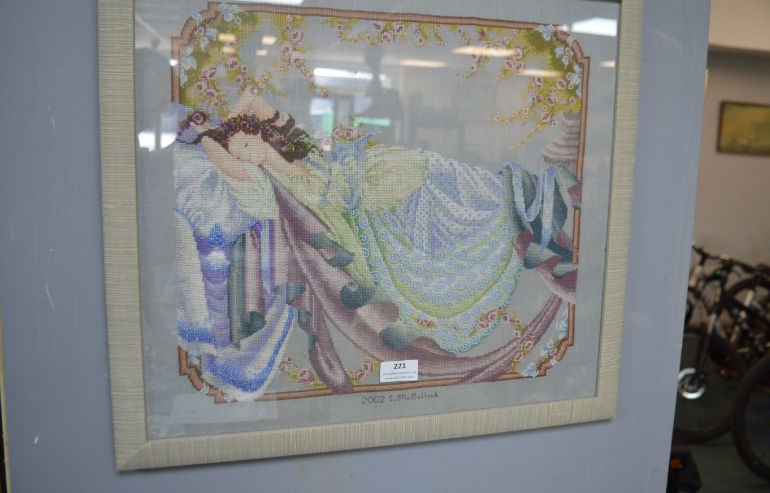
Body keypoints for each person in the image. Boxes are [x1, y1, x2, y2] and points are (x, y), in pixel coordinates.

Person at [174, 92, 580, 397]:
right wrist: (213, 138)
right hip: (379, 205)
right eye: (243, 153)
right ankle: (533, 199)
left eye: (248, 142)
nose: (249, 152)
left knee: (463, 187)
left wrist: (222, 125)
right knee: (472, 207)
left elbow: (253, 100)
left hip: (381, 173)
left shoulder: (293, 149)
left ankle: (532, 198)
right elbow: (229, 165)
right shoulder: (268, 188)